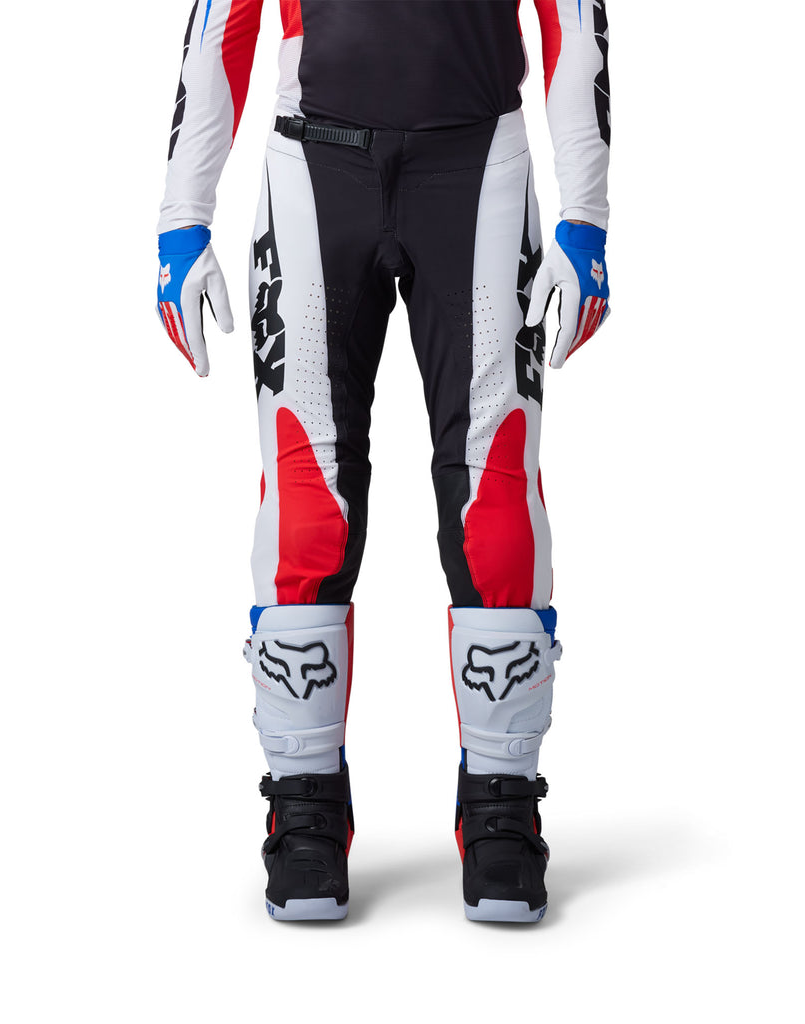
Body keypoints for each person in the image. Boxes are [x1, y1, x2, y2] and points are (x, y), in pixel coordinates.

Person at [155, 0, 611, 923]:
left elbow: (573, 10)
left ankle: (502, 801)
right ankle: (304, 801)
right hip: (313, 165)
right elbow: (224, 15)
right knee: (306, 495)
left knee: (494, 490)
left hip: (477, 163)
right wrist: (182, 212)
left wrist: (587, 215)